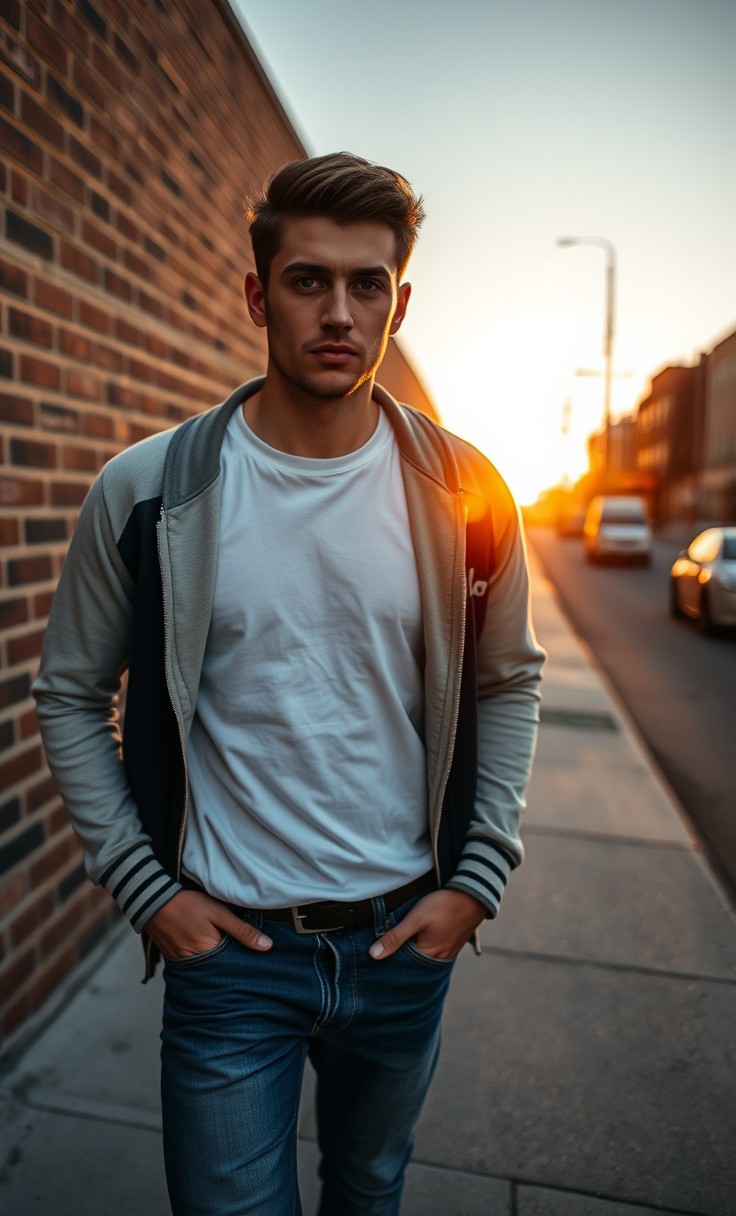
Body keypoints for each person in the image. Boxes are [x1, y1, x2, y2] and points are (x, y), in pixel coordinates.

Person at [33, 151, 544, 1216]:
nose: (338, 312)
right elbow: (71, 694)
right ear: (259, 294)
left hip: (406, 938)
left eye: (367, 286)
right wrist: (145, 888)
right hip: (232, 956)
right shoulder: (146, 490)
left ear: (400, 304)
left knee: (368, 1189)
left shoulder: (469, 494)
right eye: (309, 280)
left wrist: (477, 877)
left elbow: (506, 683)